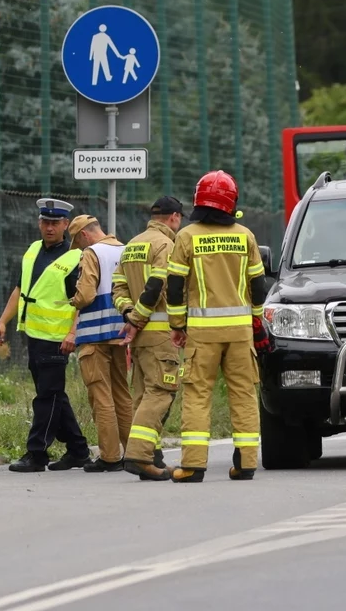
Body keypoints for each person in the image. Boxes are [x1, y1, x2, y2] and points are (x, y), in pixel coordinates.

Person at [166, 170, 271, 483]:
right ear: (230, 202)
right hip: (240, 334)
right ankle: (246, 463)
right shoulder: (245, 236)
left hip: (202, 333)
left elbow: (174, 286)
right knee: (243, 395)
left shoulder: (186, 236)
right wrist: (255, 318)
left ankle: (193, 466)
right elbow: (258, 284)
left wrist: (177, 324)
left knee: (198, 395)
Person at [0, 199, 91, 473]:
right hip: (33, 335)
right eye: (45, 222)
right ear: (39, 223)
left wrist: (73, 332)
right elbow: (19, 289)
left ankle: (37, 454)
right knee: (53, 394)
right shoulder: (33, 250)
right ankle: (79, 451)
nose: (49, 227)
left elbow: (80, 301)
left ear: (65, 226)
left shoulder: (75, 257)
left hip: (57, 339)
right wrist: (3, 322)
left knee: (47, 396)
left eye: (55, 223)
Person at [112, 197, 185, 481]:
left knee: (142, 396)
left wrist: (129, 314)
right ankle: (140, 455)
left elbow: (117, 287)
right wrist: (137, 318)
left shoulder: (132, 245)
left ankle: (152, 457)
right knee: (161, 392)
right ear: (175, 217)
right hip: (159, 335)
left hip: (140, 338)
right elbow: (157, 286)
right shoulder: (166, 245)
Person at [65, 215, 132, 472]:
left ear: (83, 235)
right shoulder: (125, 249)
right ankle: (135, 452)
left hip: (94, 336)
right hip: (120, 333)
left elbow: (86, 294)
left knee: (101, 397)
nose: (80, 248)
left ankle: (111, 456)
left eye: (78, 243)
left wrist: (73, 300)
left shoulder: (91, 253)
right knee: (122, 396)